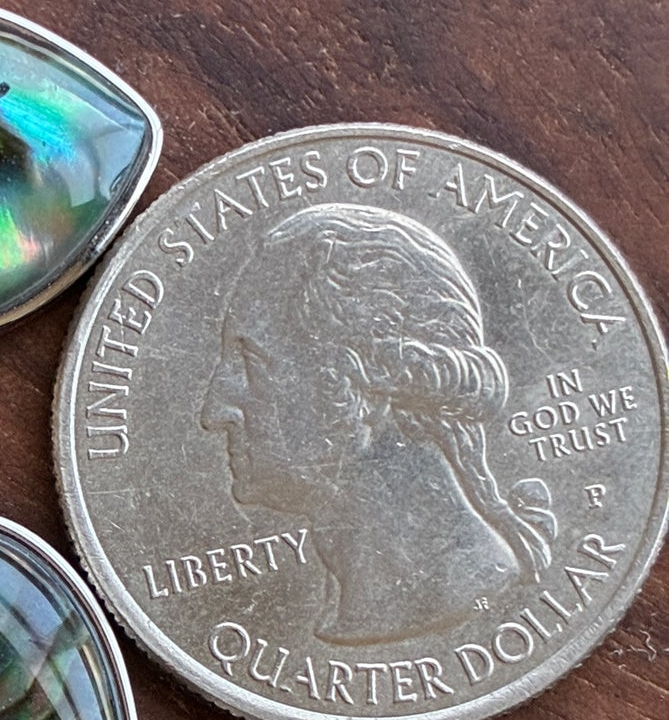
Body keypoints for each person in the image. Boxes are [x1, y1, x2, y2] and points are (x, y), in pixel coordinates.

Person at [200, 203, 555, 644]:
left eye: (250, 363)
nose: (213, 411)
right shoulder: (377, 597)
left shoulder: (452, 588)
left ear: (366, 384)